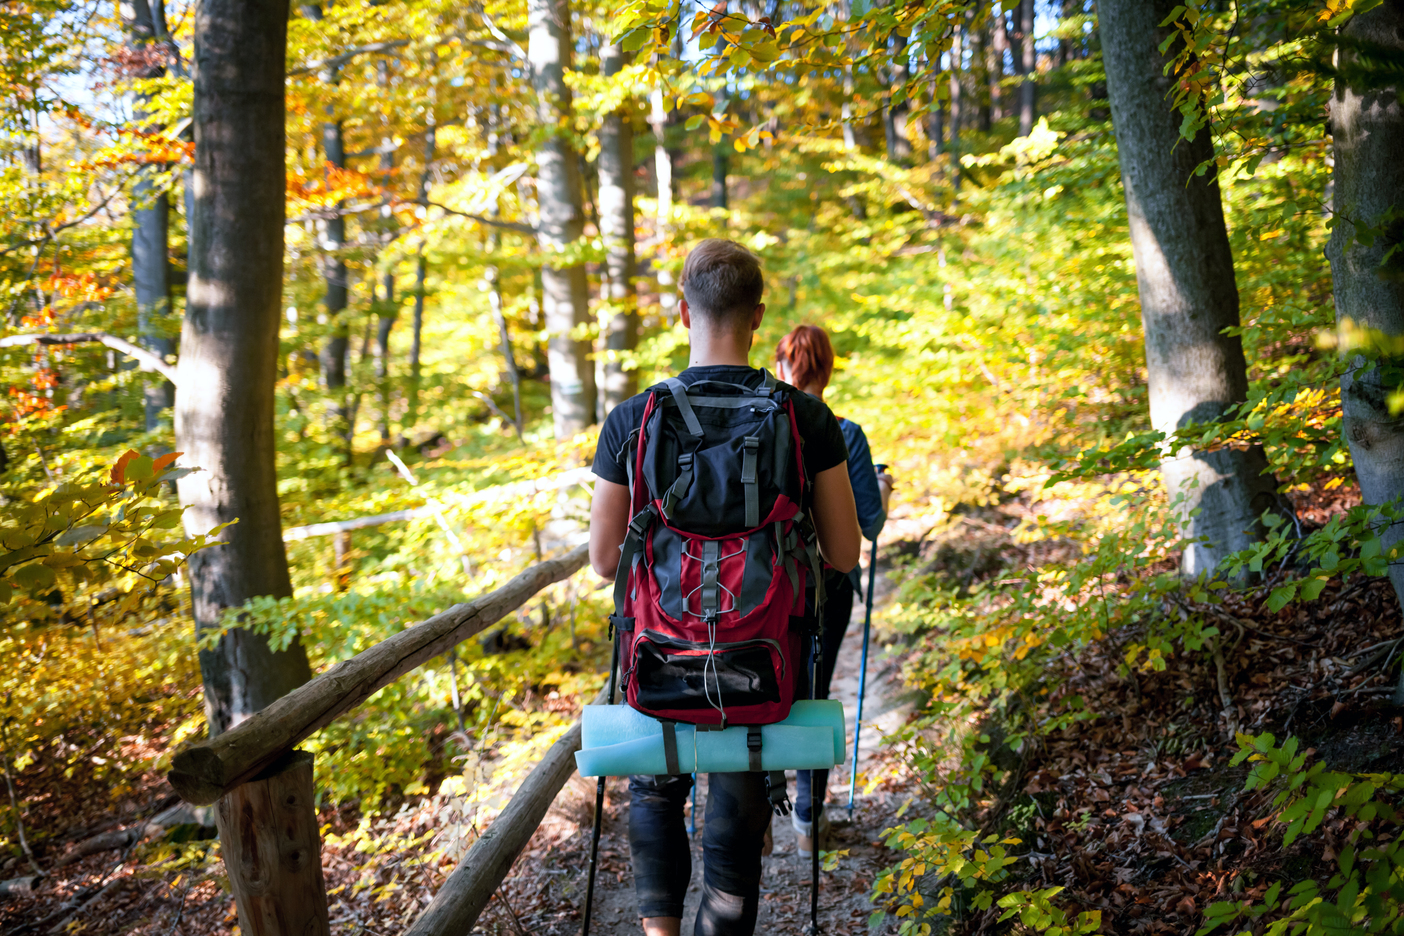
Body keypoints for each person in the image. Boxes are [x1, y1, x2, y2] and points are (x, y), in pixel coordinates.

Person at [588, 239, 862, 936]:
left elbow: (600, 561)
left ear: (683, 312)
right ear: (759, 316)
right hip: (760, 653)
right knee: (740, 779)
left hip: (656, 649)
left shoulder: (632, 420)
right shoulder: (805, 419)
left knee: (654, 787)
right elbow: (842, 551)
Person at [774, 324, 894, 860]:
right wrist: (884, 487)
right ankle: (807, 819)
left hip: (765, 589)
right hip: (827, 587)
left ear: (780, 366)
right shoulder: (846, 433)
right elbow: (868, 523)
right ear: (826, 369)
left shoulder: (762, 423)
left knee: (762, 688)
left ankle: (756, 809)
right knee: (814, 693)